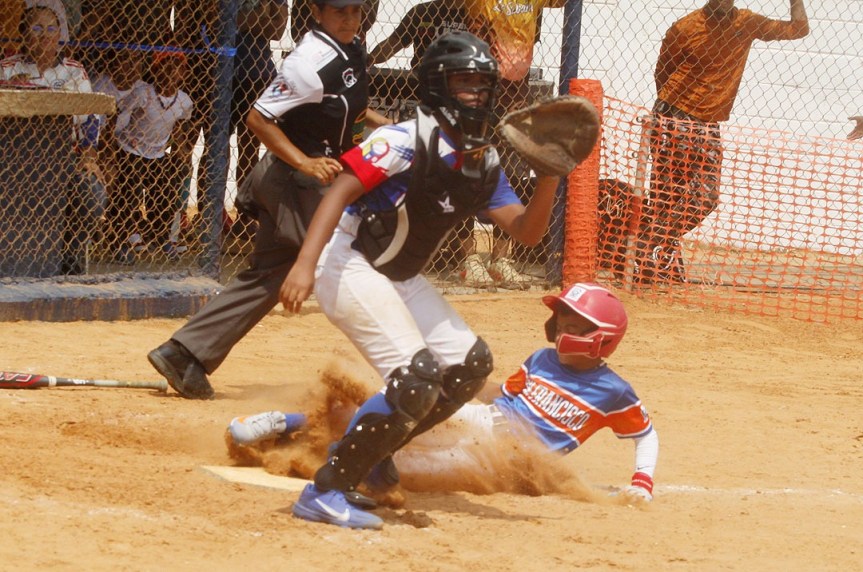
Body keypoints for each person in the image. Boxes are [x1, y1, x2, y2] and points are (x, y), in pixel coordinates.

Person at [277, 31, 562, 529]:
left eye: (483, 82)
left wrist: (551, 175)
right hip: (348, 262)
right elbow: (339, 191)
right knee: (417, 377)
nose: (477, 92)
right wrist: (305, 263)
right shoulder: (403, 140)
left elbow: (527, 231)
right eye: (465, 80)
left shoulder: (484, 159)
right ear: (437, 85)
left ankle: (369, 456)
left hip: (399, 276)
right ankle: (326, 491)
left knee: (469, 366)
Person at [146, 0, 391, 400]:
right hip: (297, 186)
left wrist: (389, 125)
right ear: (315, 12)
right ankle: (404, 372)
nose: (349, 19)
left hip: (307, 186)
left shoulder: (351, 47)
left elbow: (351, 110)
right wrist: (305, 162)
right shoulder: (308, 61)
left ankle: (183, 353)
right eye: (339, 12)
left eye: (355, 12)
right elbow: (258, 119)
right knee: (351, 261)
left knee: (270, 275)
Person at [227, 283, 659, 508]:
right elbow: (498, 396)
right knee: (400, 410)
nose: (563, 328)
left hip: (491, 461)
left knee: (393, 465)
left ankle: (304, 454)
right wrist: (457, 386)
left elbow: (645, 435)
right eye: (562, 319)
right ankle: (289, 423)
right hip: (480, 422)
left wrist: (643, 482)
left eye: (575, 324)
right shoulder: (541, 359)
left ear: (601, 339)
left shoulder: (613, 391)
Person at [639, 0, 809, 284]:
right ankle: (654, 266)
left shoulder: (746, 23)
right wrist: (675, 116)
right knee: (666, 196)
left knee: (705, 198)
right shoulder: (685, 27)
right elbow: (663, 73)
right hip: (674, 115)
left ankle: (645, 242)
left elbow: (798, 29)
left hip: (708, 123)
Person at [455, 0, 566, 288]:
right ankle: (470, 261)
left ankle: (501, 260)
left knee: (514, 171)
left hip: (516, 88)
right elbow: (474, 36)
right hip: (482, 85)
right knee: (471, 167)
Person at [0, 2, 105, 275]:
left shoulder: (73, 71)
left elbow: (90, 119)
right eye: (36, 28)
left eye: (50, 28)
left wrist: (89, 156)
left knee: (91, 192)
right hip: (10, 160)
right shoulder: (6, 69)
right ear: (24, 34)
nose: (44, 35)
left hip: (62, 158)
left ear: (60, 34)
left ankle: (70, 255)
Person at [107, 50, 196, 263]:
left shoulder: (183, 101)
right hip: (132, 149)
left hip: (157, 153)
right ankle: (121, 241)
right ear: (155, 70)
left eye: (177, 68)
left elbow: (179, 127)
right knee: (129, 194)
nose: (171, 72)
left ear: (183, 73)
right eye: (165, 66)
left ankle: (161, 236)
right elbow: (121, 118)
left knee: (166, 191)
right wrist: (113, 145)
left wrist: (181, 150)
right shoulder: (143, 94)